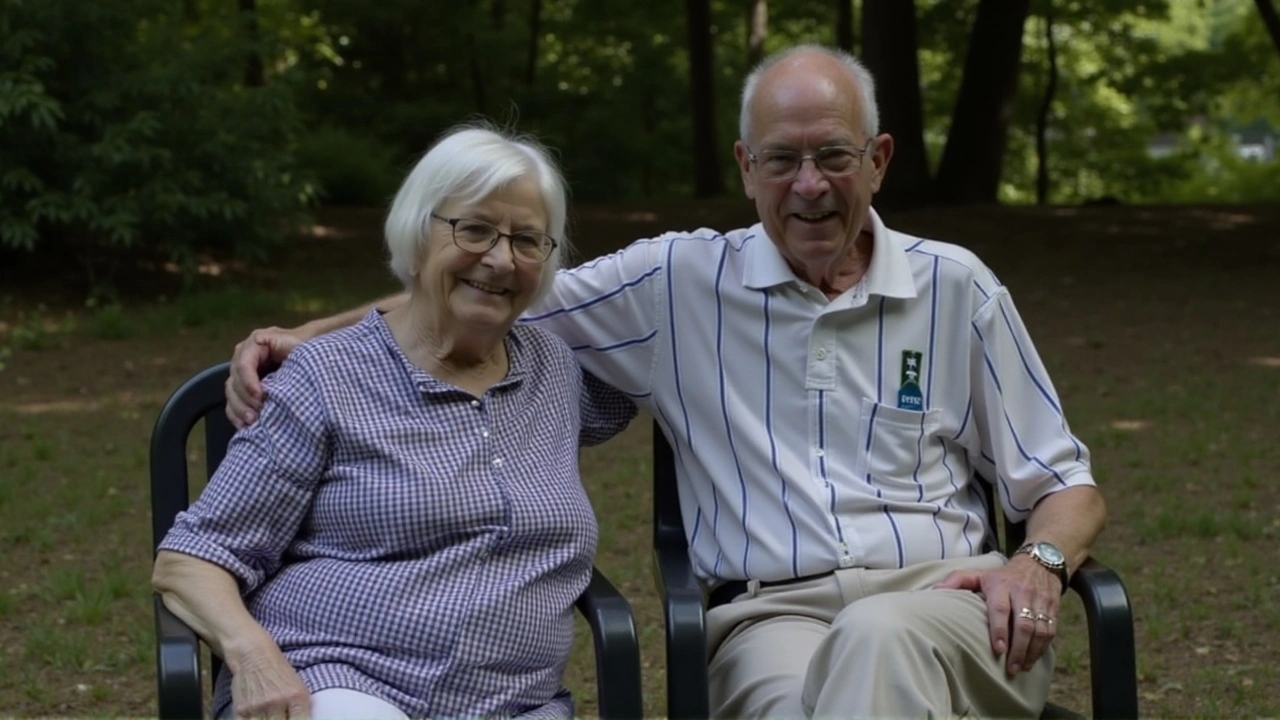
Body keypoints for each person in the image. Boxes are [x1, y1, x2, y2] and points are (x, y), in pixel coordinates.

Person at [225, 45, 1107, 718]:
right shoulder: (677, 281)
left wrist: (1038, 561)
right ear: (744, 167)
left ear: (878, 159)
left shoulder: (957, 286)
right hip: (771, 623)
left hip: (953, 609)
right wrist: (309, 334)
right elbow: (486, 286)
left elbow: (1065, 482)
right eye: (781, 160)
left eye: (833, 157)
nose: (809, 186)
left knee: (878, 638)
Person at [153, 125, 637, 720]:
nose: (501, 258)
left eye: (528, 240)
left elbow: (667, 350)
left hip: (516, 707)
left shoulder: (557, 371)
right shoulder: (324, 378)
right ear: (416, 234)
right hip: (339, 684)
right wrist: (254, 656)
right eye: (475, 228)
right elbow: (191, 558)